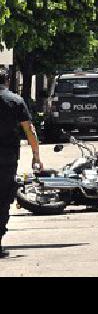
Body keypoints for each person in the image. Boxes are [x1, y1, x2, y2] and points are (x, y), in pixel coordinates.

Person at [0, 67, 43, 258]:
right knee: (2, 200)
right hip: (6, 160)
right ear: (7, 81)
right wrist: (36, 155)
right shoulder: (15, 101)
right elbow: (29, 130)